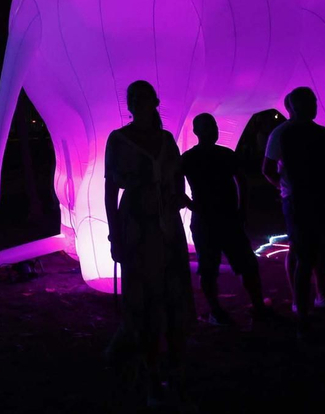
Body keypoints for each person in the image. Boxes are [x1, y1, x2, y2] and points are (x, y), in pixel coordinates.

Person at [104, 80, 194, 408]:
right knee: (145, 301)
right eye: (136, 100)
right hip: (137, 227)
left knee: (170, 297)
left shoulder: (166, 139)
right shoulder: (119, 140)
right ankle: (150, 371)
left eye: (146, 100)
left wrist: (177, 202)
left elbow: (178, 177)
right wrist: (114, 234)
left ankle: (172, 365)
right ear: (131, 106)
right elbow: (110, 191)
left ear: (153, 102)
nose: (142, 105)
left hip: (165, 227)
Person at [262, 86, 325, 339]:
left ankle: (303, 317)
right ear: (295, 106)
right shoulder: (324, 134)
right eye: (311, 101)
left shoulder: (282, 134)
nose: (314, 104)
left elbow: (267, 169)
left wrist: (285, 188)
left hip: (299, 203)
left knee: (303, 258)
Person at [181, 113, 268, 325]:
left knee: (211, 266)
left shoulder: (190, 158)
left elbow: (175, 188)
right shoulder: (224, 155)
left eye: (213, 126)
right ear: (199, 131)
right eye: (210, 126)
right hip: (224, 218)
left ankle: (218, 310)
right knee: (239, 263)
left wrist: (194, 207)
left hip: (209, 219)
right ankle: (254, 307)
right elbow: (242, 182)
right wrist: (241, 210)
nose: (214, 130)